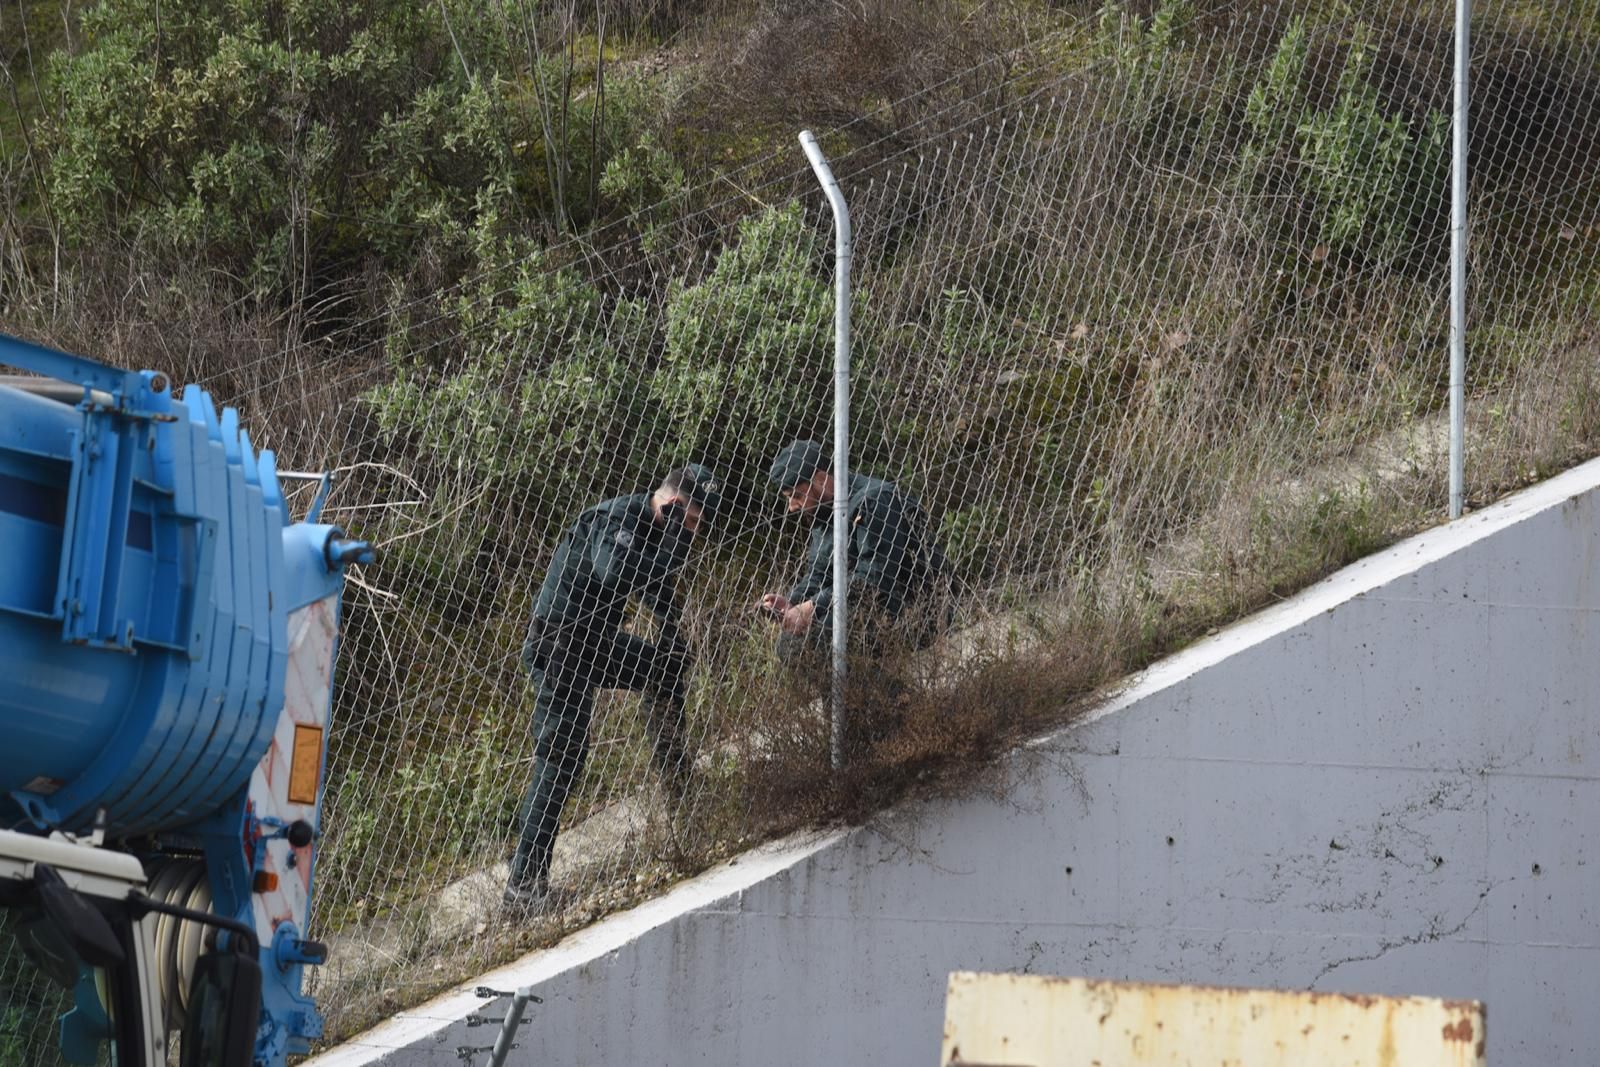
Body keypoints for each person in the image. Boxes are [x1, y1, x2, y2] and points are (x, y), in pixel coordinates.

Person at [505, 463, 720, 914]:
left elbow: (656, 587)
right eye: (694, 522)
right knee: (562, 757)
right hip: (560, 644)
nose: (694, 534)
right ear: (675, 506)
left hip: (595, 642)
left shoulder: (651, 530)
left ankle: (682, 795)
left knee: (665, 668)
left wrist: (673, 633)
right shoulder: (615, 521)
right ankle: (523, 886)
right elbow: (616, 574)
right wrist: (675, 542)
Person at [758, 440, 948, 745]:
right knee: (791, 643)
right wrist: (791, 602)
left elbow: (873, 580)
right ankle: (859, 728)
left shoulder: (875, 500)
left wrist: (811, 609)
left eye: (795, 495)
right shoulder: (823, 514)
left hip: (910, 608)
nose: (791, 506)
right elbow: (818, 573)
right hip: (864, 606)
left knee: (816, 639)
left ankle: (901, 707)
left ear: (821, 479)